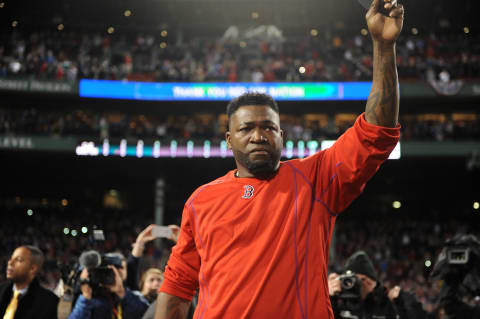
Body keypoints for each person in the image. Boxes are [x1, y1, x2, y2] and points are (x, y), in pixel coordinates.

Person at [155, 0, 404, 317]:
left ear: (281, 136)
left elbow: (376, 133)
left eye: (268, 127)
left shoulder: (315, 179)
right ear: (229, 140)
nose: (258, 135)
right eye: (246, 128)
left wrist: (383, 46)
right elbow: (177, 288)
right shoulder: (200, 201)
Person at [67, 256, 149, 319]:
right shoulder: (88, 298)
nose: (103, 277)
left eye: (108, 273)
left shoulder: (127, 296)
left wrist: (122, 293)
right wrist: (85, 297)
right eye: (98, 273)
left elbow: (145, 315)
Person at [329, 251, 398, 319]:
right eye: (348, 280)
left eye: (356, 280)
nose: (351, 285)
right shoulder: (339, 302)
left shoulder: (384, 304)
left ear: (370, 282)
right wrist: (328, 300)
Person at [0, 245, 59, 319]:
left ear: (32, 268)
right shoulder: (2, 290)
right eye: (11, 258)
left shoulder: (48, 302)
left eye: (19, 260)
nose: (10, 263)